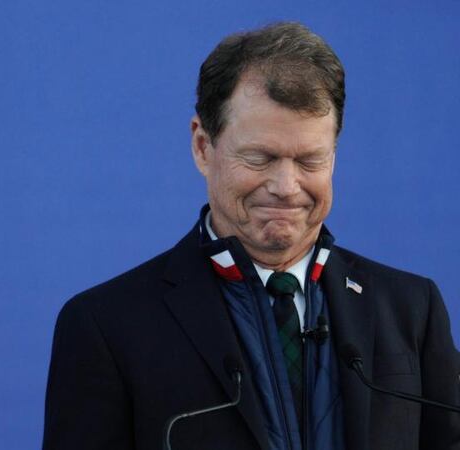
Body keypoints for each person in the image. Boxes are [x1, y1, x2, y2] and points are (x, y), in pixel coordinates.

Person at [43, 22, 460, 450]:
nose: (286, 185)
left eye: (310, 160)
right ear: (203, 147)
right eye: (260, 157)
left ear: (334, 157)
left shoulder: (412, 310)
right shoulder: (105, 327)